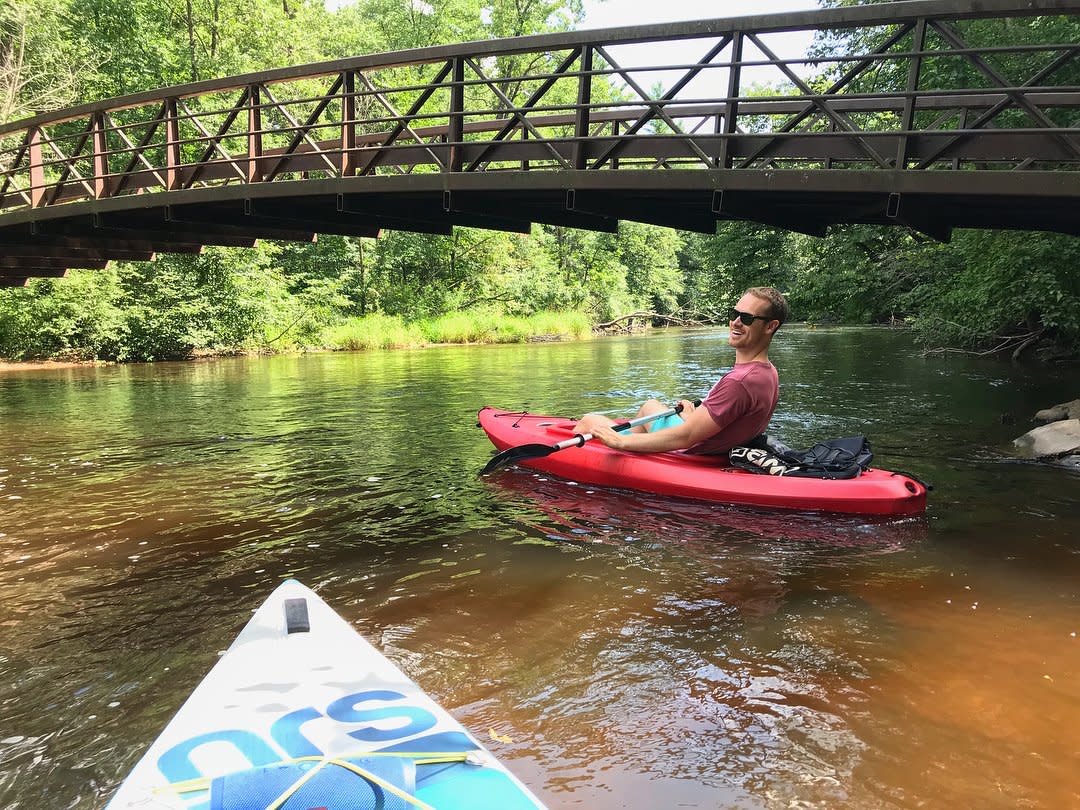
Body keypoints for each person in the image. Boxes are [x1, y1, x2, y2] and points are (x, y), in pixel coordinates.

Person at [575, 286, 789, 455]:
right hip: (712, 444)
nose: (735, 322)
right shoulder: (767, 372)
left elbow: (685, 437)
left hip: (691, 452)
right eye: (734, 314)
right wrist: (692, 416)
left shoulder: (740, 382)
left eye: (747, 318)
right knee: (650, 406)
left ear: (770, 326)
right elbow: (727, 424)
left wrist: (622, 441)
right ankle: (634, 452)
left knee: (589, 421)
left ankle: (627, 451)